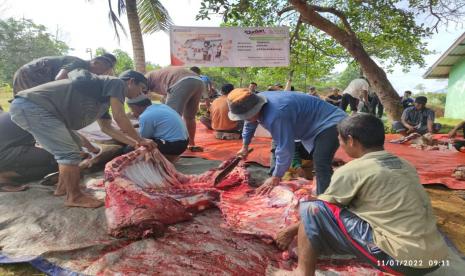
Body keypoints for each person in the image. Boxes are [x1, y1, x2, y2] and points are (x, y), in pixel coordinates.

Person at [270, 114, 448, 276]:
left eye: (340, 140)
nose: (340, 145)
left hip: (402, 261)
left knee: (312, 208)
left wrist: (289, 231)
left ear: (351, 140)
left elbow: (323, 209)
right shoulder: (404, 163)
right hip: (434, 258)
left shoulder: (352, 169)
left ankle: (302, 272)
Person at [9, 69, 156, 208]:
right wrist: (142, 140)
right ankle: (75, 197)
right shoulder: (117, 83)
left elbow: (107, 128)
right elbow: (120, 117)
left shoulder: (103, 99)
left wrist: (136, 143)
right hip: (32, 107)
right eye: (141, 88)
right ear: (130, 81)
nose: (141, 94)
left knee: (75, 146)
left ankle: (63, 188)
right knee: (68, 153)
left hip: (40, 110)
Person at [228, 89, 347, 195]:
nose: (246, 119)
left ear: (256, 109)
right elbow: (249, 123)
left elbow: (285, 148)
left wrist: (277, 176)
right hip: (308, 125)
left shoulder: (276, 115)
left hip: (329, 122)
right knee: (316, 157)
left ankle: (325, 203)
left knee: (321, 162)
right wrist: (244, 146)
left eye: (247, 116)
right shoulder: (255, 101)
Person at [146, 67, 206, 152]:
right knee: (190, 117)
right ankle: (191, 144)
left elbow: (142, 101)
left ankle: (171, 148)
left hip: (182, 81)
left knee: (171, 117)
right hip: (198, 81)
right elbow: (165, 97)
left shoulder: (144, 79)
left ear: (132, 81)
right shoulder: (158, 77)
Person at [0, 112, 58, 192]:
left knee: (57, 158)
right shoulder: (38, 114)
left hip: (7, 148)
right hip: (4, 153)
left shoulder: (29, 109)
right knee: (56, 159)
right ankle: (3, 176)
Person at [12, 54, 116, 94]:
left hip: (31, 75)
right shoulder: (79, 63)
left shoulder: (83, 69)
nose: (99, 74)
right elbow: (60, 79)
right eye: (101, 70)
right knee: (31, 105)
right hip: (30, 75)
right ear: (95, 62)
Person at [127, 95, 189, 162]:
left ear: (136, 107)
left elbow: (144, 137)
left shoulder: (145, 115)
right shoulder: (161, 106)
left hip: (175, 146)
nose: (132, 111)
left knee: (130, 148)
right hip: (184, 142)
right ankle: (170, 156)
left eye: (131, 109)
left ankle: (167, 158)